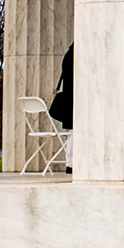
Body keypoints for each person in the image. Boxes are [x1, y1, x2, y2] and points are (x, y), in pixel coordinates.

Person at [49, 44, 74, 172]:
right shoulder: (74, 55)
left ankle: (70, 163)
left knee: (72, 133)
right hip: (73, 99)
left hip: (70, 98)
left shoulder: (68, 55)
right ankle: (71, 164)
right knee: (74, 133)